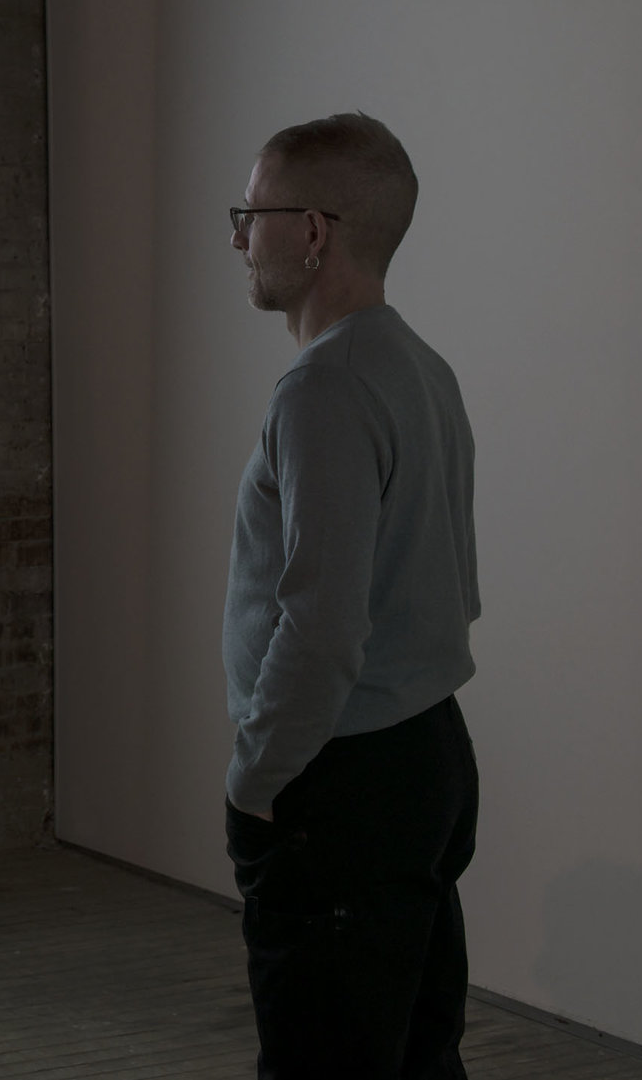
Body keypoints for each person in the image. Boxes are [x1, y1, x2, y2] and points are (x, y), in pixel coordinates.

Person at [223, 112, 480, 1079]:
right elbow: (452, 580)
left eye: (252, 213)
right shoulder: (421, 366)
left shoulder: (321, 390)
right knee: (417, 1053)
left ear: (314, 230)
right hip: (426, 755)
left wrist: (256, 777)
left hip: (342, 781)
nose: (242, 236)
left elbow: (323, 627)